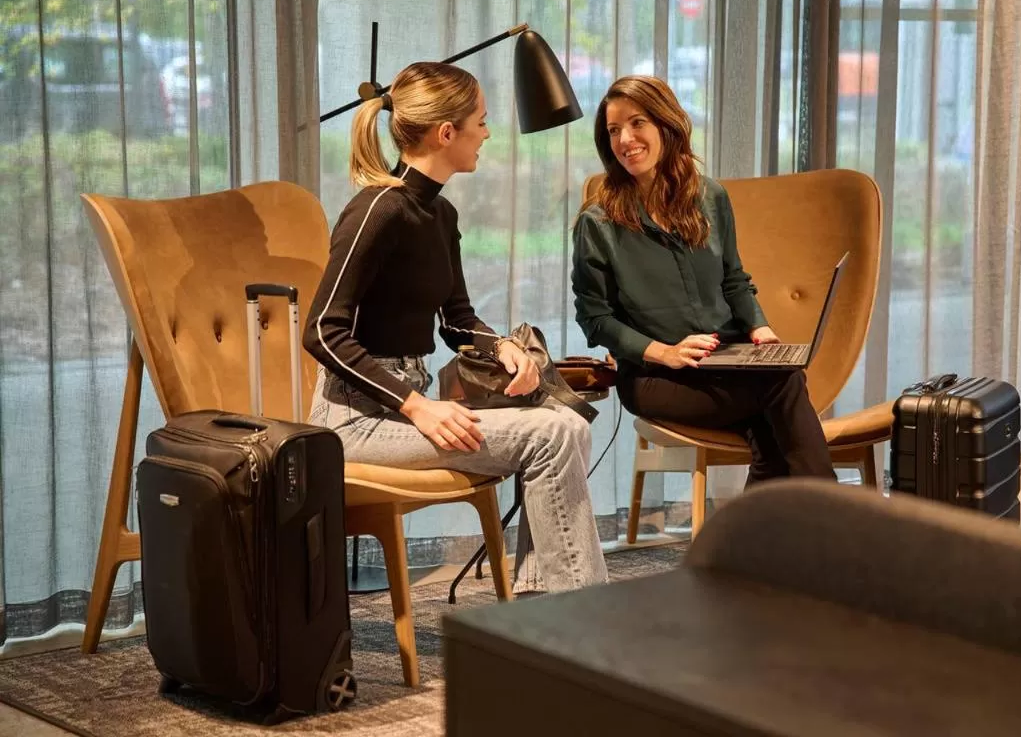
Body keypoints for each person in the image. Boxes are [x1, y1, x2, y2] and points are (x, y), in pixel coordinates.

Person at [304, 62, 607, 594]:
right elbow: (323, 332)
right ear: (448, 133)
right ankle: (578, 619)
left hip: (407, 412)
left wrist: (505, 349)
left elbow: (457, 322)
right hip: (352, 423)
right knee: (554, 432)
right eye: (482, 122)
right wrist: (416, 405)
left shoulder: (439, 215)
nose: (487, 134)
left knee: (570, 421)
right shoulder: (377, 210)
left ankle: (546, 600)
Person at [571, 75, 834, 485]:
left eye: (637, 123)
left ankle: (765, 540)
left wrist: (759, 329)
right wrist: (665, 352)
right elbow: (595, 318)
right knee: (781, 386)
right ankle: (828, 519)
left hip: (727, 360)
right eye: (613, 130)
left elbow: (734, 279)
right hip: (657, 377)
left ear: (666, 124)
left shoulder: (711, 197)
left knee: (772, 430)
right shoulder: (598, 222)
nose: (625, 139)